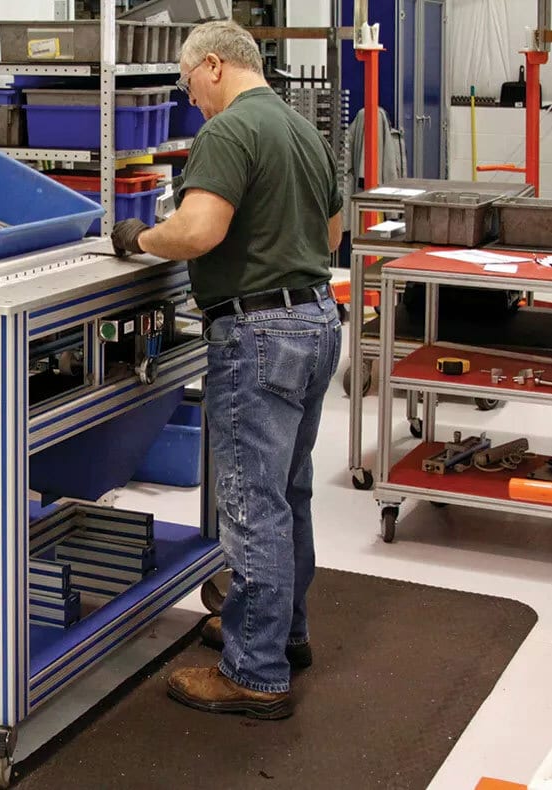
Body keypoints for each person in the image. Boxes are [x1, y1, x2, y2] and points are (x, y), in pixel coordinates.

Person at [111, 20, 343, 720]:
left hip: (257, 333)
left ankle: (254, 672)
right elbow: (330, 235)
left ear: (212, 65)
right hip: (313, 321)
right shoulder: (302, 130)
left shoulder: (228, 131)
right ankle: (280, 632)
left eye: (187, 85)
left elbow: (196, 232)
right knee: (287, 493)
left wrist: (137, 236)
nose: (191, 101)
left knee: (251, 504)